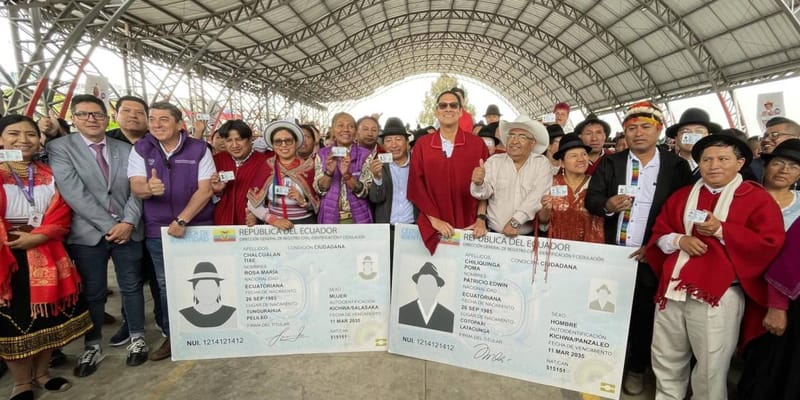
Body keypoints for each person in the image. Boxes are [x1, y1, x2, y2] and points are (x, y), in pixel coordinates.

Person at [645, 134, 785, 400]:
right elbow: (659, 234)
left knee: (711, 367)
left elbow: (770, 244)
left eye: (723, 159)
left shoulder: (756, 198)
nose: (714, 165)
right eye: (707, 159)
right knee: (665, 356)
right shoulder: (682, 196)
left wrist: (722, 230)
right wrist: (679, 239)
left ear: (740, 162)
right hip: (673, 290)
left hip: (718, 295)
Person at [585, 101, 693, 396]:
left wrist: (654, 245)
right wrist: (607, 204)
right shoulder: (612, 163)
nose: (638, 133)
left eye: (645, 127)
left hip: (650, 255)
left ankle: (635, 369)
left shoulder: (675, 166)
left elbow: (680, 211)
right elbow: (592, 198)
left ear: (658, 130)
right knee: (604, 311)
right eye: (631, 128)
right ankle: (603, 366)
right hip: (613, 254)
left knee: (644, 316)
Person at [47, 94, 149, 375]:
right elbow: (73, 193)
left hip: (129, 230)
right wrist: (110, 226)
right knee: (93, 292)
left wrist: (128, 222)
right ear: (74, 119)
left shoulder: (126, 149)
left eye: (98, 115)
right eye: (84, 114)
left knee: (131, 285)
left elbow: (136, 190)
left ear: (107, 118)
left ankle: (138, 337)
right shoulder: (60, 148)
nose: (92, 119)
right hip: (88, 233)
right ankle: (92, 345)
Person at [0, 115, 91, 399]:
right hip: (7, 255)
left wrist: (38, 237)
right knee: (13, 322)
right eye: (14, 134)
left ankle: (42, 374)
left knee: (46, 318)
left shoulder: (48, 174)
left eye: (30, 134)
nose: (23, 140)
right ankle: (22, 382)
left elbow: (62, 210)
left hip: (46, 249)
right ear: (1, 139)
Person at [128, 101, 215, 361]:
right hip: (159, 231)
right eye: (152, 119)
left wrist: (183, 220)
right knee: (168, 286)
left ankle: (210, 333)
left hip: (196, 227)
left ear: (179, 124)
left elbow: (205, 189)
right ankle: (173, 337)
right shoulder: (141, 149)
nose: (156, 124)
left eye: (164, 119)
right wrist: (148, 189)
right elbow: (136, 186)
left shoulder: (199, 148)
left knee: (206, 279)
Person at [738, 139, 800, 400]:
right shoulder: (745, 195)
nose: (784, 170)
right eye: (778, 163)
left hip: (786, 289)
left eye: (793, 166)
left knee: (774, 356)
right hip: (744, 281)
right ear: (765, 166)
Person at [408, 90, 488, 254]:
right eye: (443, 105)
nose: (448, 109)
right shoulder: (423, 145)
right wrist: (434, 220)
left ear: (460, 111)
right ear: (437, 111)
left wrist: (481, 219)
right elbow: (416, 186)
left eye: (453, 105)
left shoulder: (477, 144)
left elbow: (488, 187)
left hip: (470, 224)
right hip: (436, 225)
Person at [470, 116, 551, 237]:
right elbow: (483, 194)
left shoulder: (541, 163)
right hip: (493, 235)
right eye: (511, 135)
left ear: (533, 143)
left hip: (526, 238)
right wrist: (478, 183)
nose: (514, 141)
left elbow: (536, 196)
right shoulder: (494, 162)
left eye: (522, 137)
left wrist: (515, 222)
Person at [247, 120, 318, 228]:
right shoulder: (267, 166)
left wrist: (303, 202)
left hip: (305, 227)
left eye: (288, 140)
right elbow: (252, 203)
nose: (283, 145)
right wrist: (272, 220)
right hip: (274, 227)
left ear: (296, 142)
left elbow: (319, 204)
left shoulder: (309, 166)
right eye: (278, 141)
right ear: (273, 145)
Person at [538, 134, 604, 243]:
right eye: (574, 156)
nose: (581, 159)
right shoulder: (550, 183)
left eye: (584, 154)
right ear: (562, 163)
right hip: (558, 247)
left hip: (591, 249)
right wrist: (546, 208)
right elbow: (543, 222)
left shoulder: (597, 184)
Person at [313, 113, 373, 224]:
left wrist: (347, 176)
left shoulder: (365, 155)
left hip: (358, 218)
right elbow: (319, 190)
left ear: (355, 131)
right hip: (329, 217)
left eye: (350, 126)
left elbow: (365, 191)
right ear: (332, 130)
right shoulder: (322, 154)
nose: (345, 129)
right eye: (340, 125)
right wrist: (329, 172)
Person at [210, 119, 270, 225]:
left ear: (250, 139)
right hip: (222, 225)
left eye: (239, 139)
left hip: (251, 225)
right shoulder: (216, 160)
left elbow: (272, 198)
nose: (234, 145)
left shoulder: (266, 163)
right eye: (229, 140)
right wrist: (216, 191)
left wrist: (260, 216)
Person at [368, 117, 416, 225]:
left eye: (398, 139)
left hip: (412, 227)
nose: (394, 145)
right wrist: (377, 178)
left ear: (407, 143)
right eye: (388, 140)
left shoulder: (418, 164)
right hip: (386, 228)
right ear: (384, 145)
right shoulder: (378, 165)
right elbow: (375, 199)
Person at [398, 262, 454, 333]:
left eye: (430, 284)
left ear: (437, 289)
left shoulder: (448, 317)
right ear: (417, 287)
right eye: (423, 283)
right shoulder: (403, 312)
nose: (426, 288)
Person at [665, 108, 720, 179]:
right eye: (685, 132)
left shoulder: (720, 166)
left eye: (699, 131)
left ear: (708, 136)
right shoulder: (664, 165)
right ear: (676, 138)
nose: (692, 136)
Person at [179, 262, 236, 328]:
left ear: (218, 289)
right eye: (202, 287)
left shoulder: (232, 314)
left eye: (210, 287)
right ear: (194, 290)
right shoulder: (183, 315)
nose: (207, 292)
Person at [752, 117, 800, 181]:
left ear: (796, 137)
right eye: (764, 136)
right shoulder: (750, 168)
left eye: (774, 135)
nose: (766, 140)